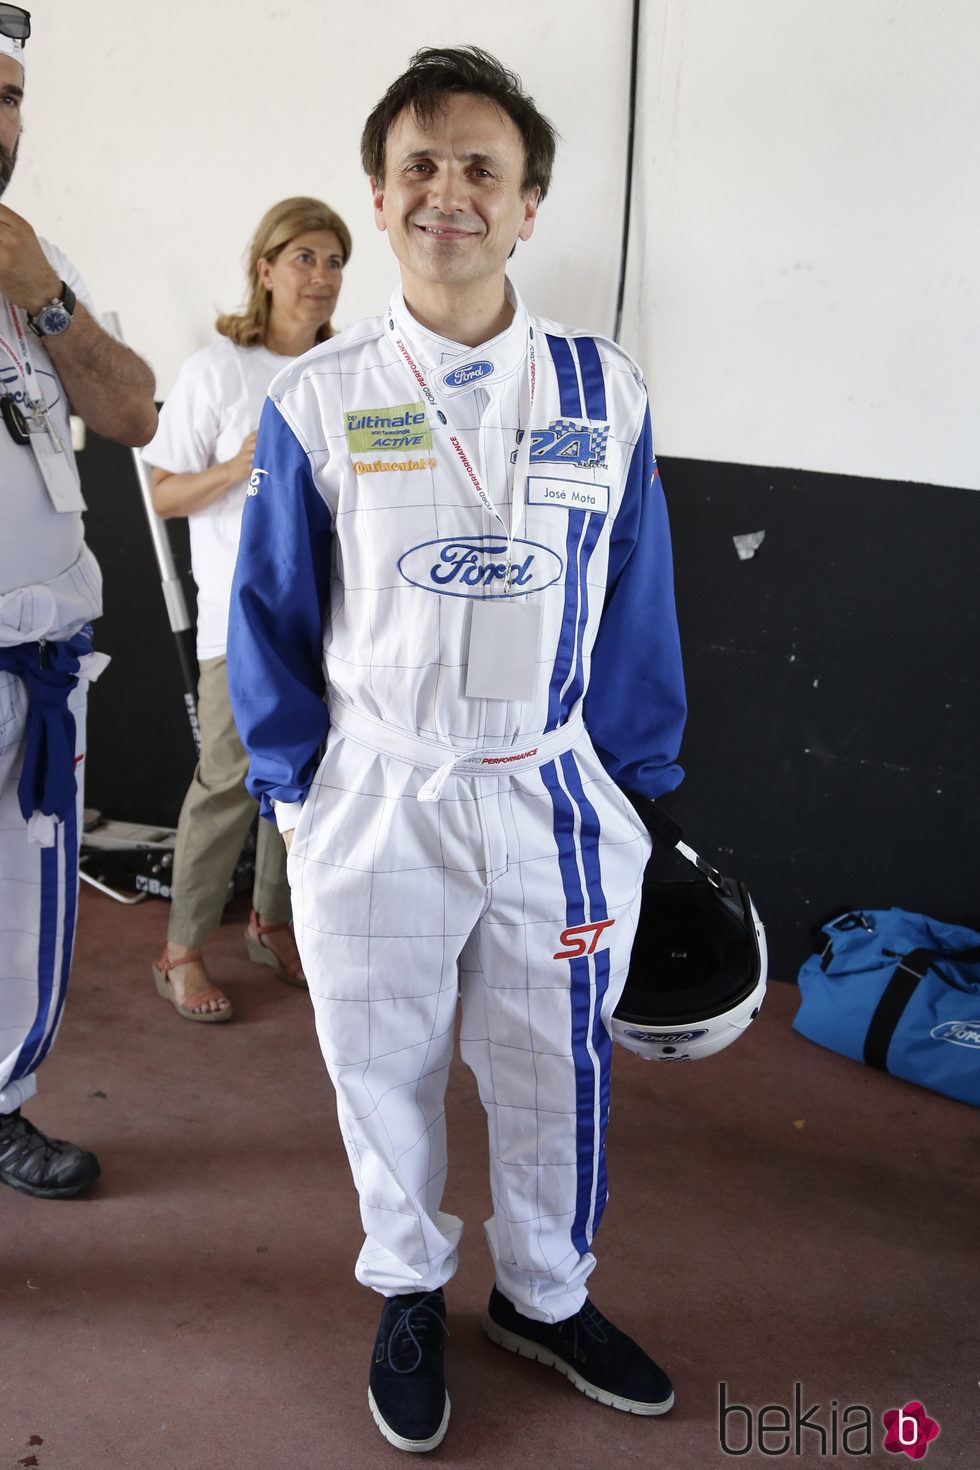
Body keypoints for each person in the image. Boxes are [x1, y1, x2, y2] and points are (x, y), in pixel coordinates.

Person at [227, 46, 686, 1453]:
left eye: (480, 166)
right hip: (375, 791)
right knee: (383, 1061)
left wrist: (639, 793)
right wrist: (299, 802)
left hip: (551, 793)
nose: (449, 192)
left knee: (557, 1061)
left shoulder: (606, 398)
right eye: (419, 166)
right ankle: (411, 1284)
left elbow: (642, 613)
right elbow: (270, 621)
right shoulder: (316, 401)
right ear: (380, 196)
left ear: (530, 201)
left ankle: (545, 1294)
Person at [0, 6, 158, 1198]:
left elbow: (133, 414)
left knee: (20, 922)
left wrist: (43, 292)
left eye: (9, 98)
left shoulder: (35, 264)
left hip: (42, 664)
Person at [144, 198, 351, 1022]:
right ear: (264, 268)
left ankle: (272, 921)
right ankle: (181, 950)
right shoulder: (216, 370)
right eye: (304, 257)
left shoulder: (349, 374)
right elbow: (162, 494)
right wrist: (237, 467)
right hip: (241, 622)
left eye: (336, 260)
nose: (323, 276)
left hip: (331, 619)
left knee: (306, 779)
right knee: (228, 780)